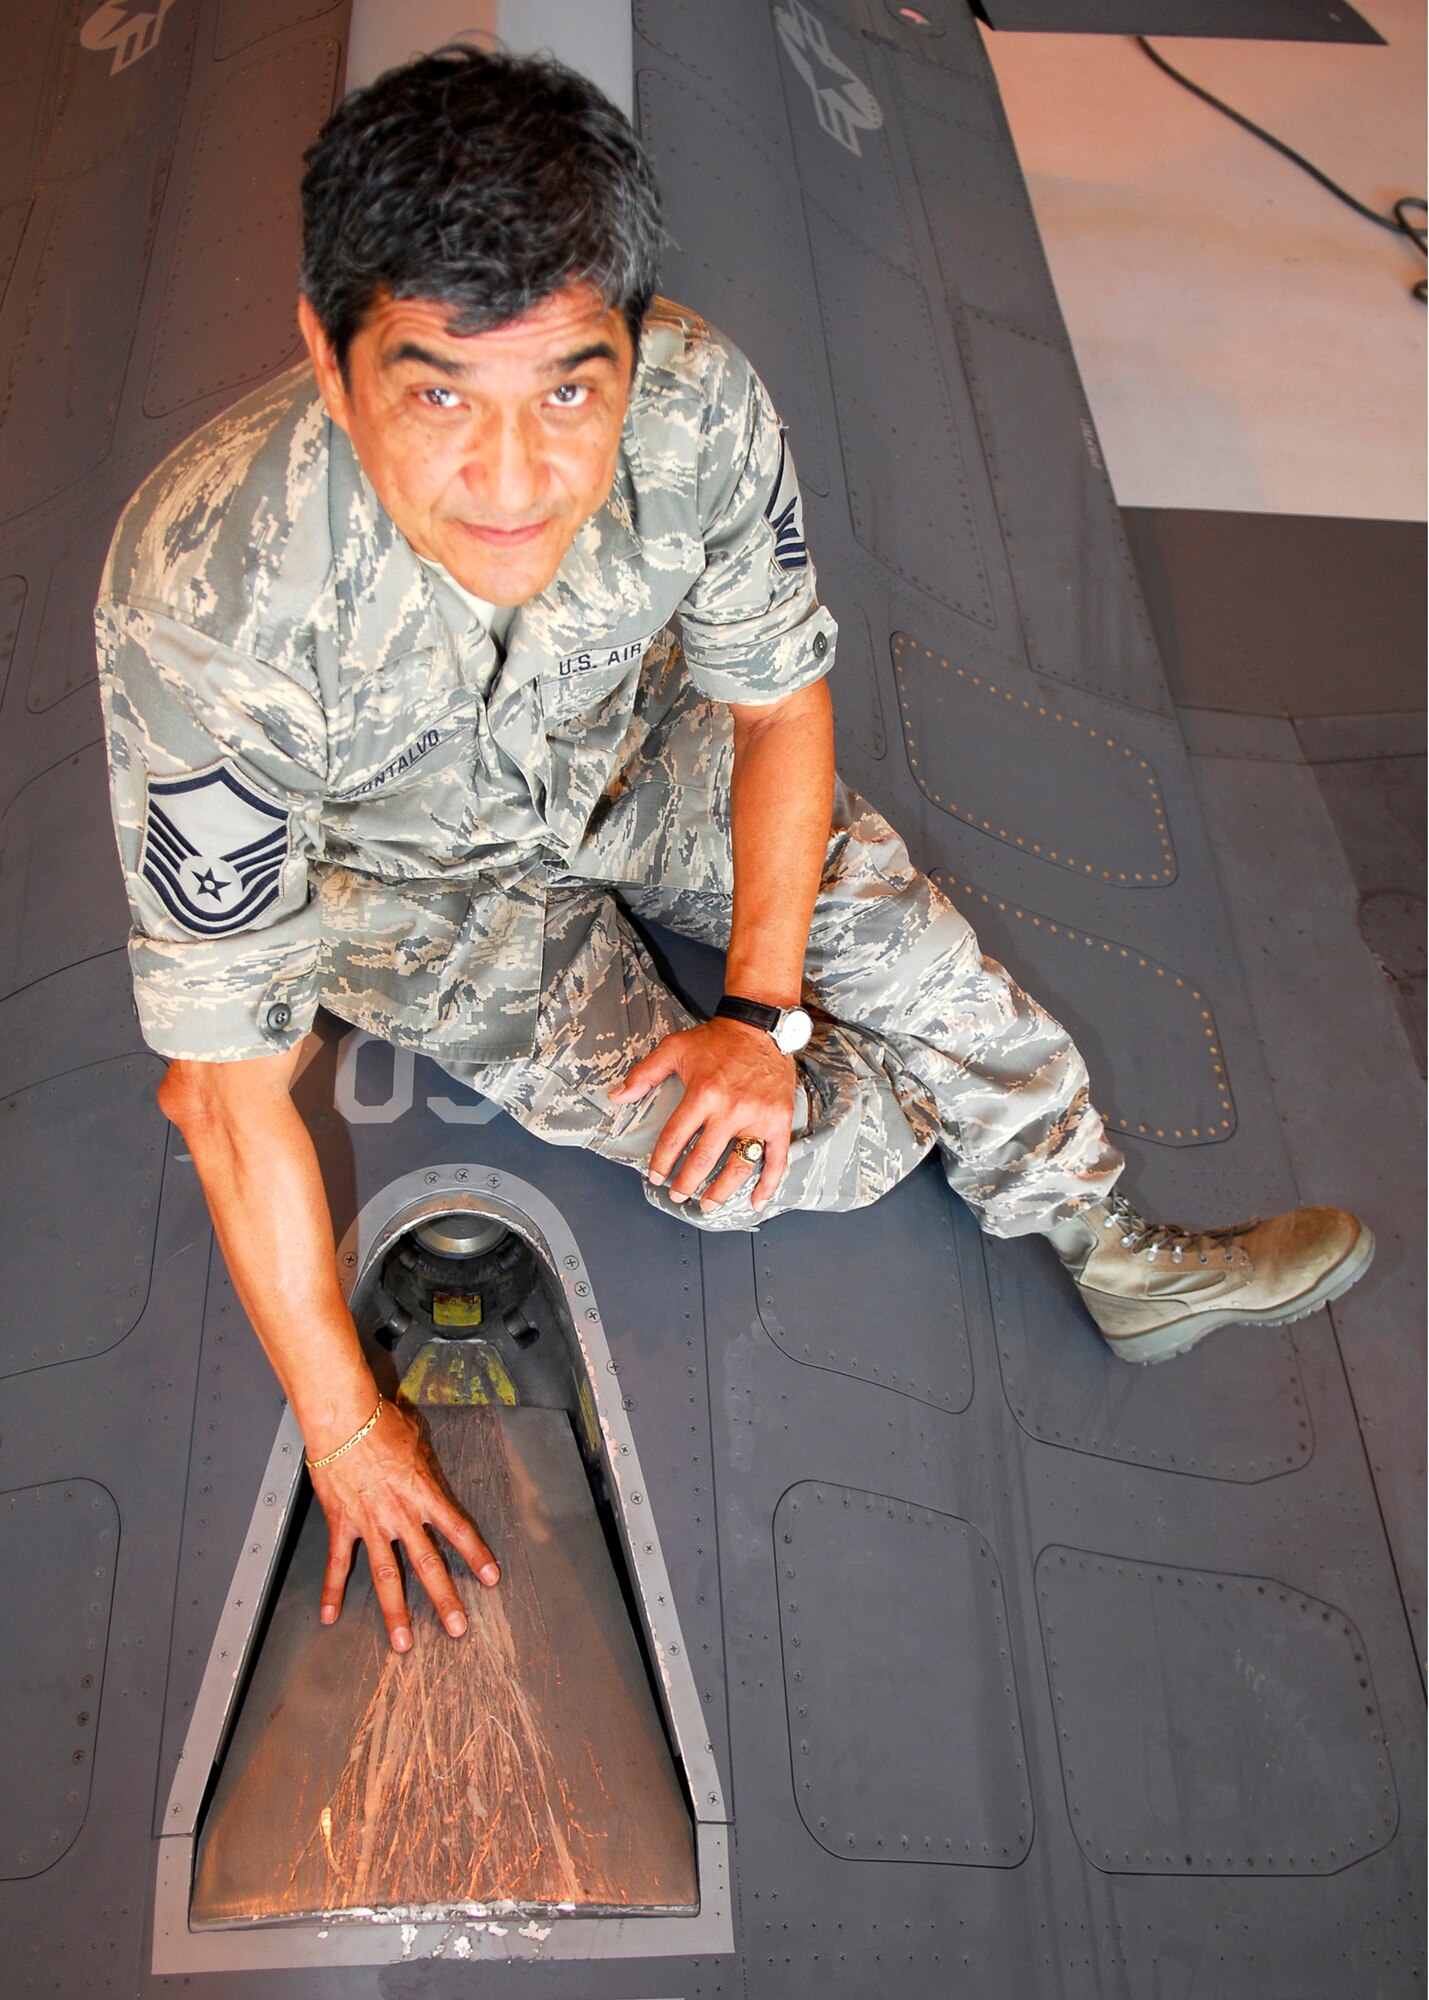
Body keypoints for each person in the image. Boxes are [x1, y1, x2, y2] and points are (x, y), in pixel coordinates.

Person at [95, 46, 1372, 1656]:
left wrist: (764, 1018)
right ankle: (940, 1091)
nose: (512, 480)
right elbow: (224, 1103)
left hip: (624, 745)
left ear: (629, 344)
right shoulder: (206, 603)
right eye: (436, 395)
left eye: (570, 386)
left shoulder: (695, 402)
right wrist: (348, 1427)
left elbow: (774, 711)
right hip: (417, 894)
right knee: (765, 1170)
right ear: (326, 356)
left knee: (906, 949)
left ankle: (1115, 1253)